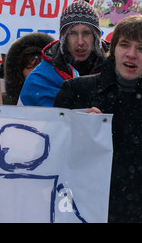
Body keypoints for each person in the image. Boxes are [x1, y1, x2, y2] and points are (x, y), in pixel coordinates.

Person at [54, 14, 142, 223]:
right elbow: (52, 154)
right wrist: (81, 131)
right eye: (124, 45)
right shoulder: (76, 90)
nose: (131, 54)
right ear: (113, 50)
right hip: (85, 210)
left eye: (141, 49)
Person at [18, 0, 109, 107]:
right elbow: (24, 123)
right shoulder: (39, 80)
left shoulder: (117, 70)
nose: (80, 42)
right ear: (64, 38)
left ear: (96, 37)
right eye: (73, 33)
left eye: (86, 33)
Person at [0, 32, 55, 105]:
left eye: (41, 65)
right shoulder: (1, 103)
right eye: (29, 65)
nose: (36, 71)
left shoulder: (62, 101)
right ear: (19, 72)